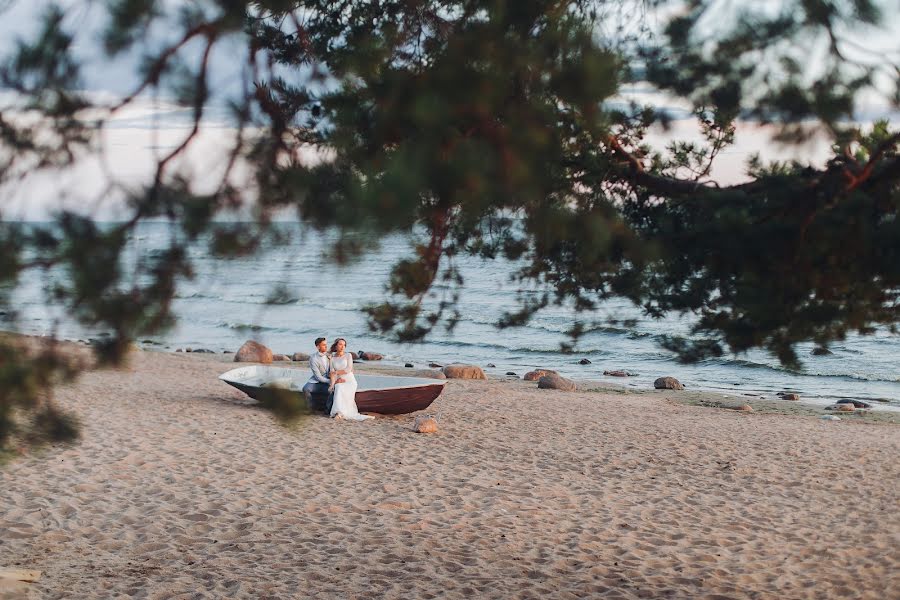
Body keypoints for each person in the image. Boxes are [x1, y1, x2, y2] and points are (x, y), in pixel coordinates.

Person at [328, 337, 372, 421]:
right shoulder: (332, 358)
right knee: (338, 387)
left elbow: (348, 369)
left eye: (344, 345)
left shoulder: (348, 355)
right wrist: (332, 384)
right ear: (336, 346)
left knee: (340, 387)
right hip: (340, 380)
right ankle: (338, 413)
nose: (342, 347)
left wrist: (337, 372)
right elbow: (331, 372)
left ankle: (340, 413)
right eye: (340, 344)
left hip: (349, 381)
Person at [302, 337, 332, 413]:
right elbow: (318, 377)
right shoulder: (313, 358)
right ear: (318, 346)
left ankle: (327, 410)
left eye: (326, 344)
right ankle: (310, 409)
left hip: (328, 382)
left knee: (332, 390)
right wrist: (330, 381)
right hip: (316, 382)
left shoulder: (330, 355)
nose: (326, 346)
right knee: (305, 389)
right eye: (323, 345)